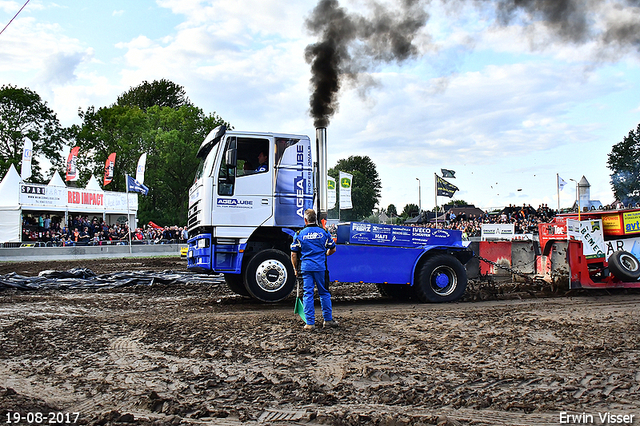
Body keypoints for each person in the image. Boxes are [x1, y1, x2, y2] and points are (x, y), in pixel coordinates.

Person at [290, 208, 337, 330]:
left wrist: (295, 269)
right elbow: (333, 249)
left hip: (306, 268)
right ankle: (328, 320)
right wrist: (325, 254)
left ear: (305, 220)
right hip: (320, 267)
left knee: (308, 294)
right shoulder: (324, 232)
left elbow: (293, 254)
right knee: (324, 293)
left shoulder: (299, 234)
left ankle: (310, 323)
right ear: (315, 219)